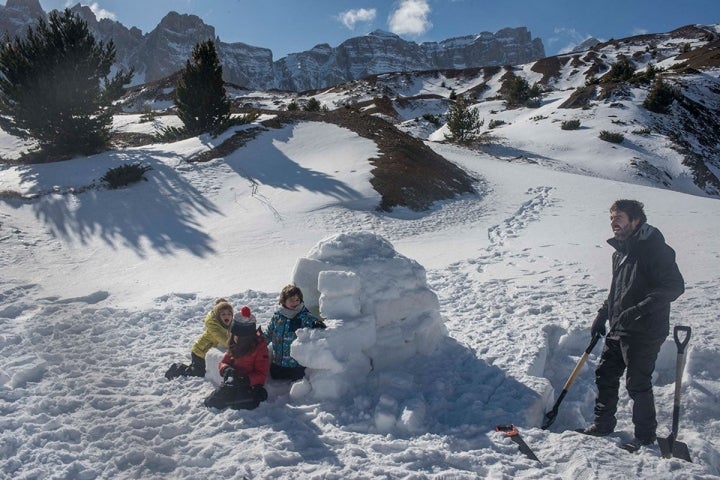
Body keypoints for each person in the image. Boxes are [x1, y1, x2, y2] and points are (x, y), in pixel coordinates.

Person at [581, 199, 685, 447]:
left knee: (637, 384)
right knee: (605, 374)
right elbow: (617, 290)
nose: (613, 223)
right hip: (620, 326)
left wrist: (639, 310)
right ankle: (603, 425)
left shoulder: (656, 249)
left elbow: (674, 286)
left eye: (619, 217)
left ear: (635, 220)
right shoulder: (620, 252)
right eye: (611, 218)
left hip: (645, 330)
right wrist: (602, 314)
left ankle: (645, 437)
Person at [204, 306, 270, 410]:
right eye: (235, 335)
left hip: (249, 383)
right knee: (212, 402)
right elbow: (224, 362)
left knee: (241, 405)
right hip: (234, 380)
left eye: (241, 337)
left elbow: (261, 374)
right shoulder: (234, 344)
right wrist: (226, 369)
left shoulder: (260, 348)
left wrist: (246, 380)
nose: (237, 339)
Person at [265, 285, 326, 381]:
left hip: (296, 367)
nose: (295, 302)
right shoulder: (277, 316)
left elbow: (311, 320)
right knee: (276, 376)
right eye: (291, 300)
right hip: (278, 364)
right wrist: (260, 341)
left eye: (297, 299)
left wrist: (315, 323)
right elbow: (269, 332)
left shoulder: (303, 315)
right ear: (283, 301)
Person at [165, 298, 233, 380]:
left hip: (205, 352)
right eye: (223, 314)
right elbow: (223, 340)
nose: (227, 316)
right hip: (200, 352)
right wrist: (235, 346)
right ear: (218, 316)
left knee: (199, 369)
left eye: (229, 314)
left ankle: (192, 367)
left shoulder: (226, 324)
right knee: (198, 373)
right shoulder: (214, 327)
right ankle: (176, 368)